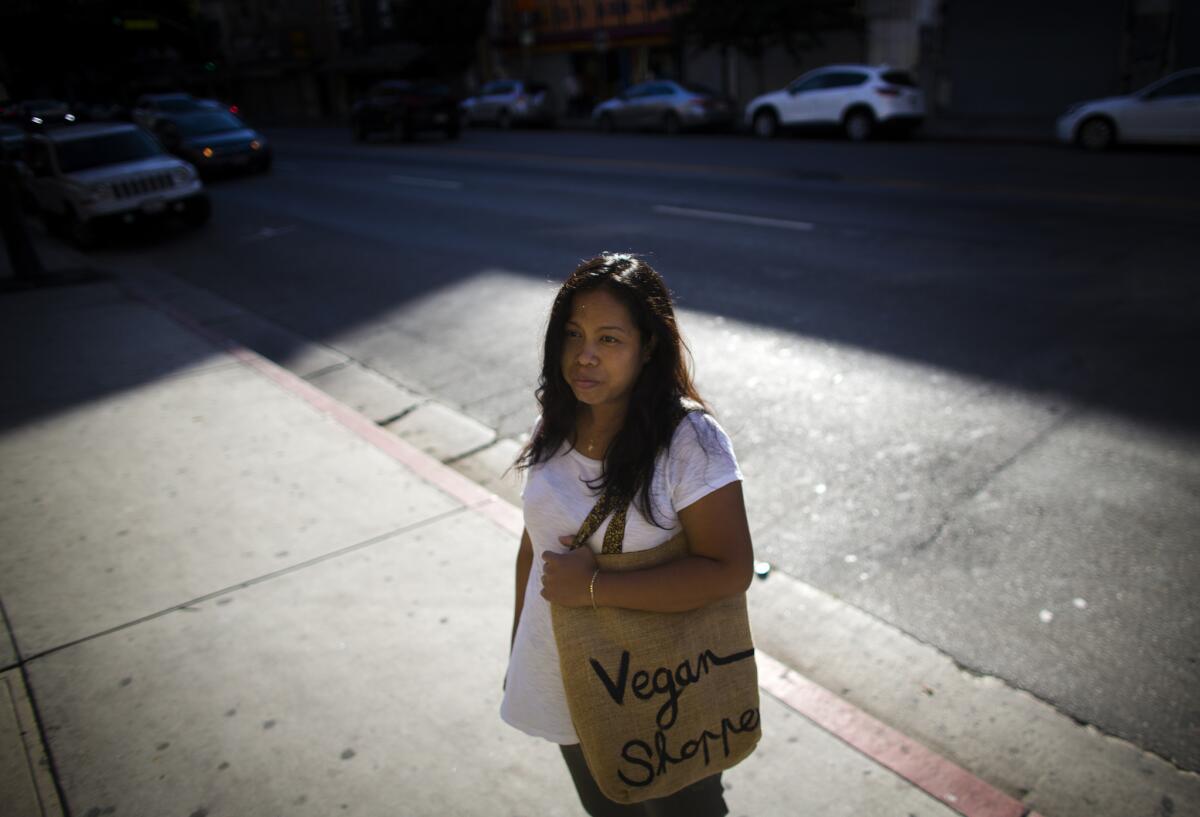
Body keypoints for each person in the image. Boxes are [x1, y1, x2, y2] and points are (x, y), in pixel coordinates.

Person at [501, 253, 754, 816]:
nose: (584, 356)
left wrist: (594, 588)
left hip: (664, 691)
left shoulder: (690, 440)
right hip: (563, 679)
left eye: (609, 339)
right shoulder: (558, 421)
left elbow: (730, 570)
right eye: (573, 334)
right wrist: (518, 649)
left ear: (648, 348)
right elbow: (534, 544)